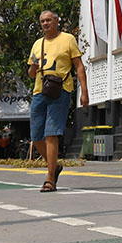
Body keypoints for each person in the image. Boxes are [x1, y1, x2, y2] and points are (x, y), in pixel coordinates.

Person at [27, 10, 89, 192]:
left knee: (51, 134)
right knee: (36, 136)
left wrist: (84, 92)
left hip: (61, 90)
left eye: (48, 20)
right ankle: (55, 166)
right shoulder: (38, 44)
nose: (45, 23)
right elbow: (31, 73)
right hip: (39, 91)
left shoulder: (68, 39)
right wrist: (33, 68)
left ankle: (50, 178)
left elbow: (79, 66)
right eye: (42, 21)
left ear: (56, 21)